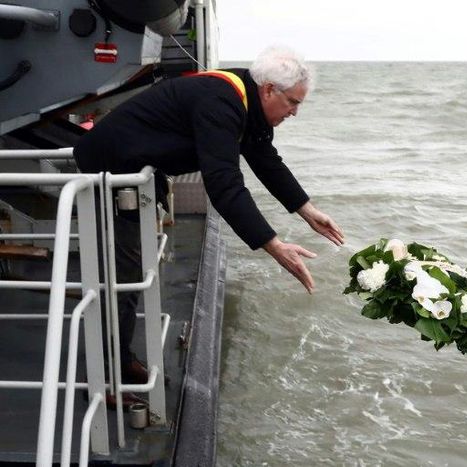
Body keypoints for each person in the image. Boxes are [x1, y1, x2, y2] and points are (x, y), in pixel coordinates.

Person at [73, 46, 344, 408]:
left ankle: (120, 362)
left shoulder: (245, 95)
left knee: (135, 270)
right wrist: (275, 246)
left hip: (132, 170)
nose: (294, 112)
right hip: (108, 170)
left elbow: (264, 158)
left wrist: (307, 210)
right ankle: (107, 380)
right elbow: (224, 184)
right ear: (268, 90)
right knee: (126, 275)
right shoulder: (223, 102)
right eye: (293, 102)